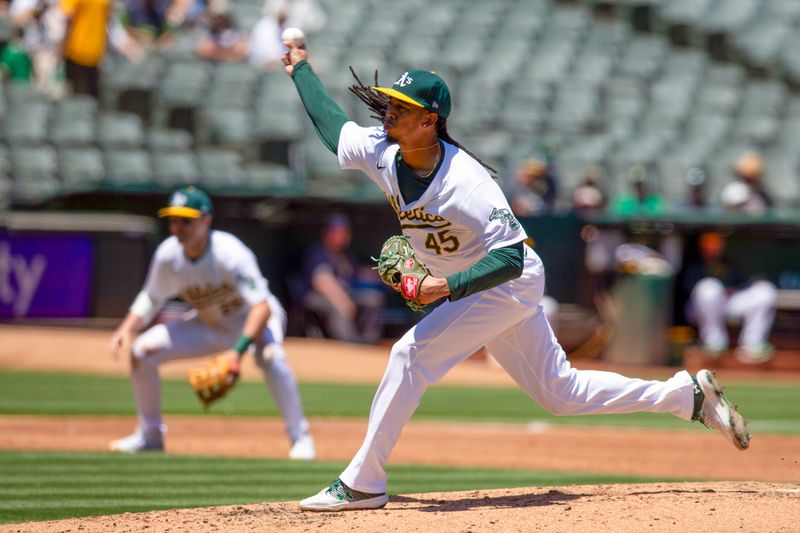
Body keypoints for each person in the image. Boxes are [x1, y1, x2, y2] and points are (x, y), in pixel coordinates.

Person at [280, 41, 750, 512]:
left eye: (402, 107)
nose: (389, 111)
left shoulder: (466, 183)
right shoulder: (382, 149)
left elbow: (512, 258)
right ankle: (683, 396)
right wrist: (301, 67)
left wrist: (440, 286)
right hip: (480, 286)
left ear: (430, 120)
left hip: (507, 283)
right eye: (391, 102)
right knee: (560, 393)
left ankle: (364, 480)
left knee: (409, 355)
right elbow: (332, 129)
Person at [108, 186, 316, 460]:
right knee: (142, 351)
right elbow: (151, 296)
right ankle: (150, 436)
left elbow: (262, 306)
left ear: (206, 220)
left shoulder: (229, 253)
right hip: (210, 325)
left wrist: (237, 352)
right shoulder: (169, 255)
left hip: (253, 322)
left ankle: (300, 437)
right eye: (173, 220)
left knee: (271, 357)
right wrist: (126, 328)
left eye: (186, 220)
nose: (177, 227)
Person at [680, 231, 776, 363]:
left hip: (725, 303)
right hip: (697, 308)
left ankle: (752, 345)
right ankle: (713, 342)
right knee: (709, 288)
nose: (714, 248)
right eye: (710, 244)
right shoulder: (693, 263)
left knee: (764, 291)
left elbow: (739, 282)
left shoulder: (726, 262)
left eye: (716, 244)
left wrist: (731, 288)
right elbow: (687, 288)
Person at [300, 213, 385, 344]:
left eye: (344, 232)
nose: (342, 236)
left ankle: (368, 342)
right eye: (338, 232)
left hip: (346, 293)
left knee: (373, 298)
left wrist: (386, 276)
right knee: (337, 306)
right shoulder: (319, 253)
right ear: (328, 233)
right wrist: (344, 301)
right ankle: (347, 344)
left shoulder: (345, 255)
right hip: (317, 297)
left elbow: (359, 273)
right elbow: (322, 282)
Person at [59, 0, 111, 98]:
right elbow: (108, 21)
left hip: (76, 50)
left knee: (75, 94)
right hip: (95, 51)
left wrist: (62, 44)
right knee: (91, 94)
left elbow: (68, 18)